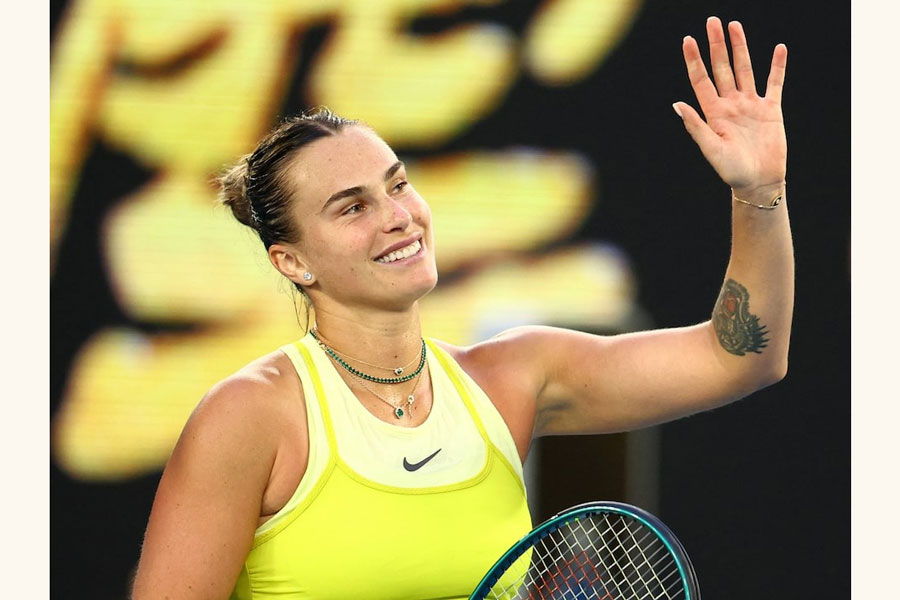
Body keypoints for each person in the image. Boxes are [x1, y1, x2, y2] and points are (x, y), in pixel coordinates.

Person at [132, 16, 792, 599]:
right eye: (353, 207)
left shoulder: (512, 379)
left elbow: (739, 357)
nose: (398, 218)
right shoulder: (248, 417)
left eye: (398, 185)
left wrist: (760, 194)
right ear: (292, 261)